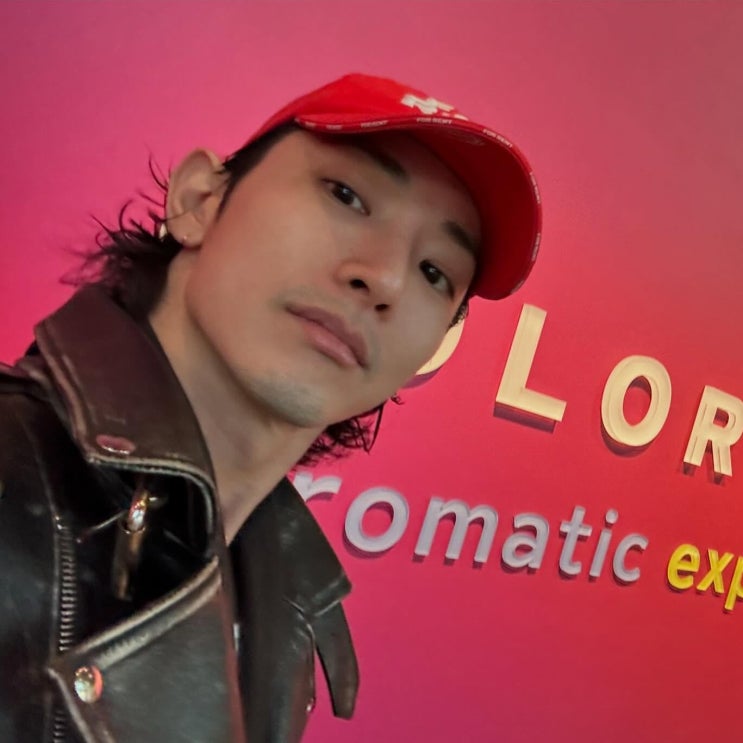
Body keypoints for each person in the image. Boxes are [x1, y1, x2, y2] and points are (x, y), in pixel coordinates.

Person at [0, 73, 541, 742]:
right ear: (199, 199)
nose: (385, 278)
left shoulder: (279, 589)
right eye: (346, 195)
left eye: (435, 271)